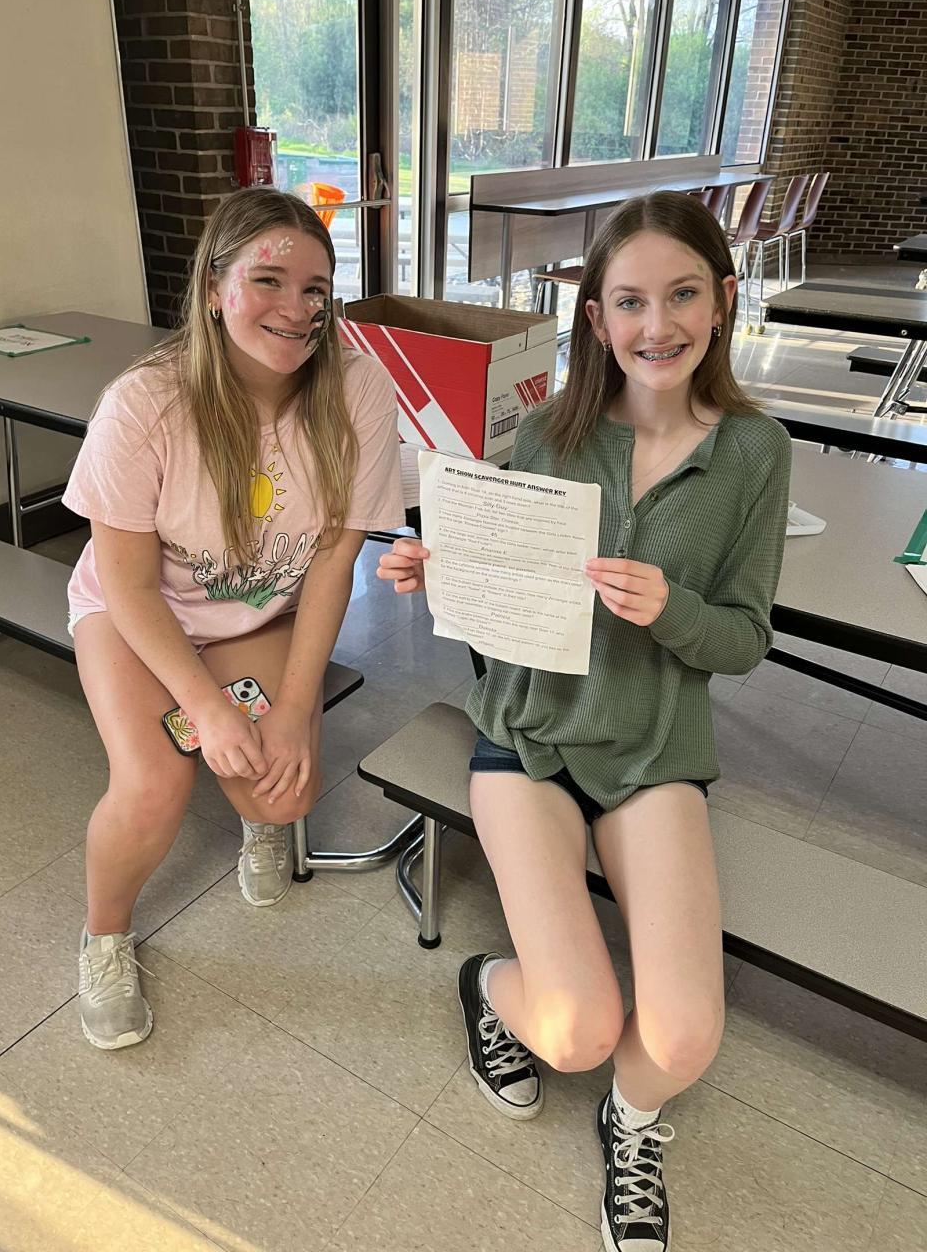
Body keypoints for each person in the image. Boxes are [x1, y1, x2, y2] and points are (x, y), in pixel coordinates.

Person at [378, 191, 790, 1252]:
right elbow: (496, 596)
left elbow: (746, 638)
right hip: (528, 740)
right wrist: (437, 572)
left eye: (683, 294)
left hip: (654, 753)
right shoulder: (548, 433)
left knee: (684, 1037)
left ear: (723, 299)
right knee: (575, 1029)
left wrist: (675, 610)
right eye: (631, 302)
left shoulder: (755, 451)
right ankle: (488, 987)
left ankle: (631, 1122)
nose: (659, 325)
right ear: (597, 318)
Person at [63, 187, 403, 1050]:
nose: (297, 308)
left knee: (282, 784)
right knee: (155, 782)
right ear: (215, 288)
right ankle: (105, 936)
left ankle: (259, 827)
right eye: (269, 281)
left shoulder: (359, 387)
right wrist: (206, 709)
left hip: (256, 612)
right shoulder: (145, 403)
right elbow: (129, 586)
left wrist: (291, 709)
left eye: (316, 289)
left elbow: (333, 560)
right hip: (140, 614)